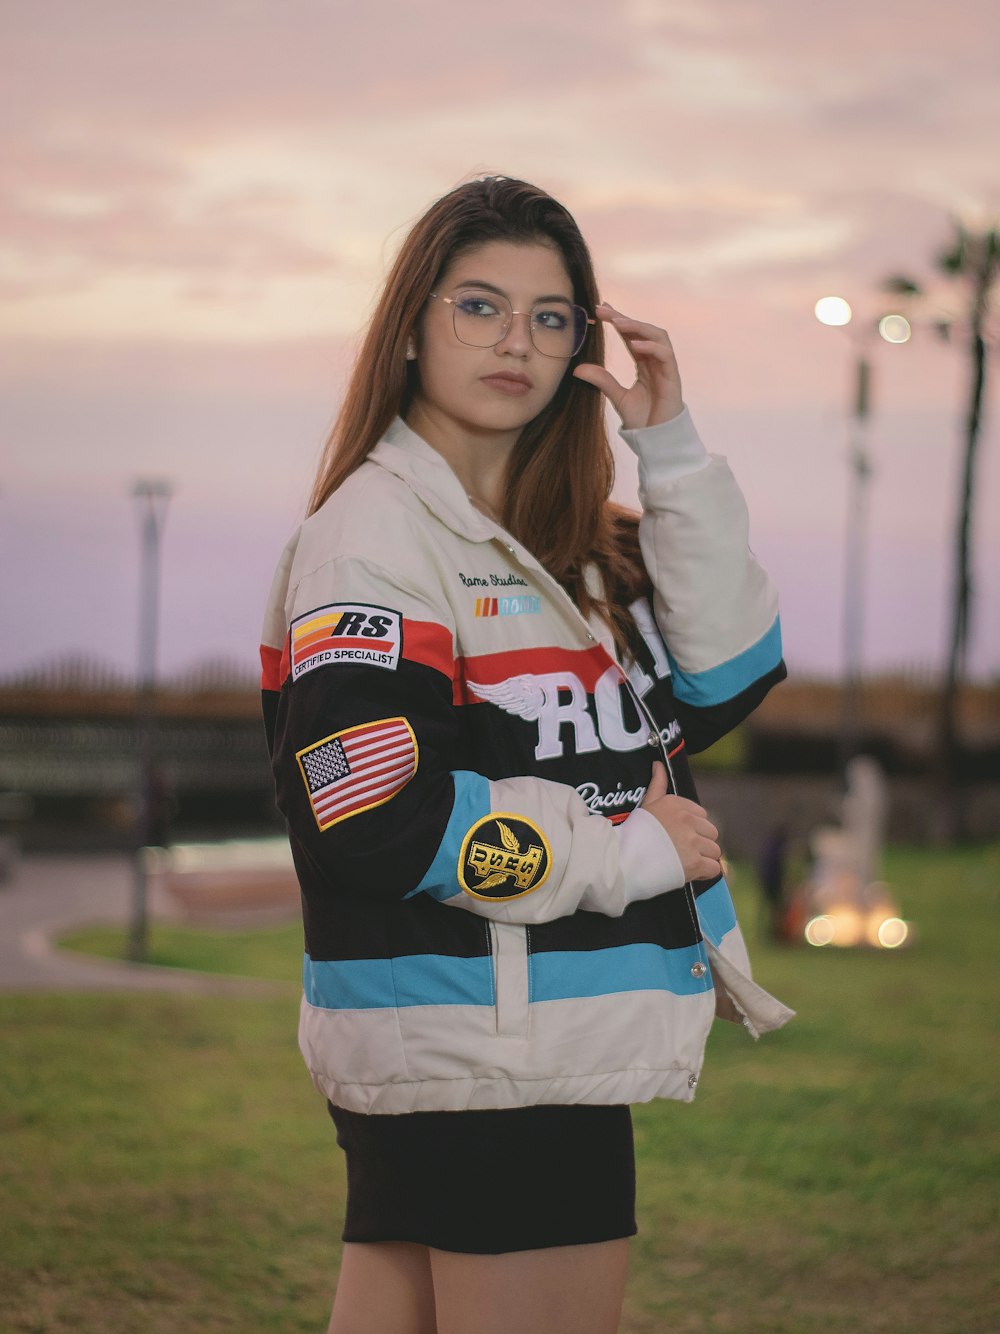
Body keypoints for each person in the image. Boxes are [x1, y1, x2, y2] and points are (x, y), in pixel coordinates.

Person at [260, 176, 793, 1334]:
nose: (517, 340)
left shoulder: (562, 551)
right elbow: (374, 822)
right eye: (479, 306)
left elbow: (728, 675)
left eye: (552, 317)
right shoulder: (375, 537)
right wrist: (629, 852)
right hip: (492, 1053)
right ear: (410, 326)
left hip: (496, 1042)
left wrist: (668, 442)